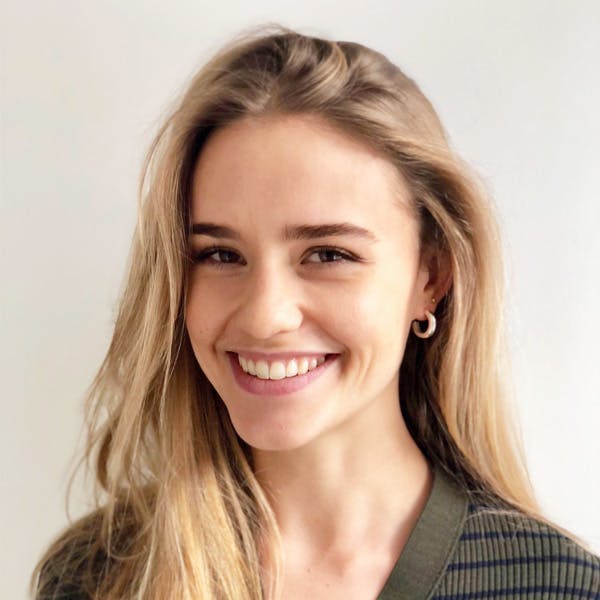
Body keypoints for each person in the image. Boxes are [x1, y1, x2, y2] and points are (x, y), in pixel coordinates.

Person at [32, 24, 599, 600]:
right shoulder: (94, 574)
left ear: (430, 278)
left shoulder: (553, 587)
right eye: (221, 254)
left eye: (328, 254)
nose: (264, 316)